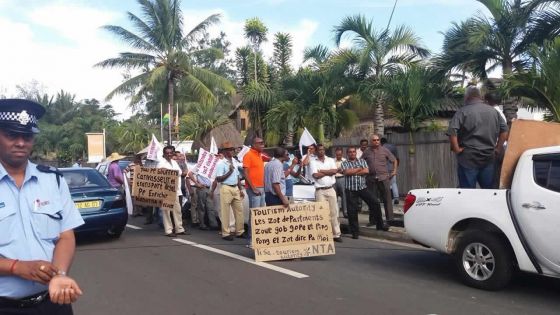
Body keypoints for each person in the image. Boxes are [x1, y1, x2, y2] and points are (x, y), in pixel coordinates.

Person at [0, 99, 84, 314]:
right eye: (11, 135)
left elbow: (65, 236)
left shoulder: (52, 180)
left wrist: (60, 275)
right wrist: (16, 267)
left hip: (53, 303)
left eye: (27, 136)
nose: (20, 143)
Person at [448, 86, 509, 189]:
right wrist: (498, 148)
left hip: (468, 159)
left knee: (467, 193)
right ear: (480, 96)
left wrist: (457, 149)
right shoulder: (494, 112)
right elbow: (504, 131)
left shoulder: (462, 112)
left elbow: (452, 132)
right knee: (488, 191)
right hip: (488, 157)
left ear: (467, 97)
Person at [341, 147, 388, 239]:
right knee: (352, 211)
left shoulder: (362, 160)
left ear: (356, 153)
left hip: (362, 188)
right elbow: (346, 172)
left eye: (353, 152)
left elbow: (366, 170)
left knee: (375, 203)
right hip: (350, 189)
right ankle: (355, 232)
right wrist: (359, 169)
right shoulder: (344, 163)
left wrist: (353, 171)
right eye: (350, 152)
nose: (352, 153)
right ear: (347, 154)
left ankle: (380, 225)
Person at [310, 144, 342, 242]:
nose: (321, 151)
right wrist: (329, 172)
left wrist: (322, 171)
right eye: (319, 150)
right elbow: (316, 175)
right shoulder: (313, 162)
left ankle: (336, 234)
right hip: (320, 190)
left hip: (330, 189)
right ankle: (324, 234)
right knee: (321, 213)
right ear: (316, 151)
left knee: (334, 212)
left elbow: (334, 171)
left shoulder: (330, 160)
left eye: (323, 150)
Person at [362, 134, 397, 224]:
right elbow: (360, 162)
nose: (376, 141)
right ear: (371, 141)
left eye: (378, 140)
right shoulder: (366, 152)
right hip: (371, 179)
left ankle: (390, 220)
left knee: (387, 199)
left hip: (384, 178)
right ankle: (373, 220)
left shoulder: (385, 150)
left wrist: (394, 171)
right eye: (374, 140)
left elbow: (394, 160)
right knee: (372, 200)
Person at [215, 142, 245, 241]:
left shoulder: (234, 162)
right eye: (230, 149)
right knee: (225, 211)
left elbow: (237, 176)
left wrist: (240, 189)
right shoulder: (220, 163)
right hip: (226, 187)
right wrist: (229, 171)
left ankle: (240, 231)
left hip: (235, 187)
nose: (232, 151)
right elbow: (218, 179)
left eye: (233, 149)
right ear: (224, 151)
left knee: (239, 210)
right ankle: (226, 233)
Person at [157, 145, 188, 237]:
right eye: (167, 153)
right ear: (164, 154)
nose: (169, 154)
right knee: (166, 211)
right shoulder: (161, 163)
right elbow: (159, 175)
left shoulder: (174, 162)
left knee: (177, 210)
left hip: (176, 190)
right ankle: (169, 230)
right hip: (166, 190)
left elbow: (181, 173)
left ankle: (179, 229)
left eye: (171, 153)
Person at [243, 137, 266, 243]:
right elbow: (246, 173)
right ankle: (252, 240)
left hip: (261, 187)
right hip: (254, 188)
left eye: (263, 143)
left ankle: (259, 238)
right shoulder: (248, 155)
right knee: (254, 213)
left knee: (260, 214)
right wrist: (253, 188)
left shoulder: (259, 155)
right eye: (260, 143)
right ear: (254, 144)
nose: (263, 145)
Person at [188, 166, 219, 231]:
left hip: (209, 188)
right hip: (202, 188)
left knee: (210, 207)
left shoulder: (213, 165)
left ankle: (213, 225)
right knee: (201, 207)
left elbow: (215, 179)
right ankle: (202, 224)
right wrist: (196, 183)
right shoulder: (199, 164)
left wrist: (212, 190)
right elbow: (190, 174)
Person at [381, 137, 400, 204]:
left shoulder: (381, 148)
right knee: (393, 183)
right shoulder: (393, 147)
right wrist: (395, 168)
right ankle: (396, 198)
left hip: (384, 169)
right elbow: (397, 159)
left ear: (381, 142)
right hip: (392, 168)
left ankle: (387, 198)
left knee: (384, 185)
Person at [333, 147, 347, 218]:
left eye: (340, 155)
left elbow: (345, 171)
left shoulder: (345, 161)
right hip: (334, 179)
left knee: (344, 196)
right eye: (337, 154)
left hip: (342, 179)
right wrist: (338, 170)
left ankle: (345, 212)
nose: (338, 156)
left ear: (342, 154)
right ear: (335, 153)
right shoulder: (332, 161)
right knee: (334, 197)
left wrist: (338, 170)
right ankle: (336, 213)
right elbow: (332, 170)